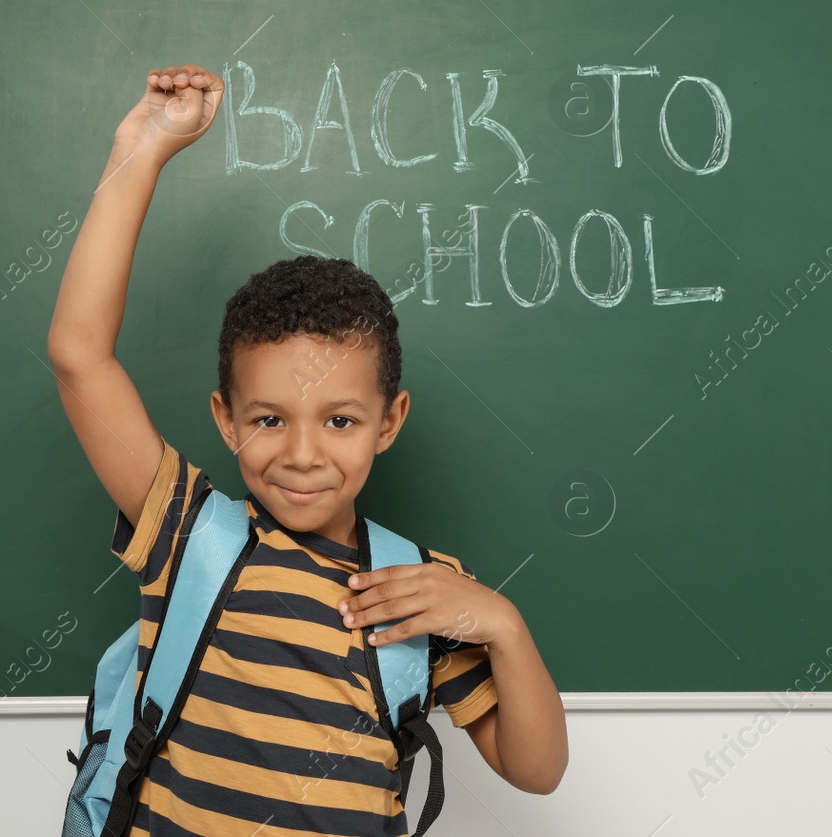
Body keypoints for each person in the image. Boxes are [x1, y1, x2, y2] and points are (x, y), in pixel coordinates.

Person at [48, 63, 567, 836]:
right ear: (224, 418)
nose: (301, 454)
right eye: (268, 420)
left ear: (389, 421)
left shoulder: (418, 591)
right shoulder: (188, 536)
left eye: (340, 421)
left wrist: (506, 625)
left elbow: (537, 770)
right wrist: (143, 149)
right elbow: (79, 354)